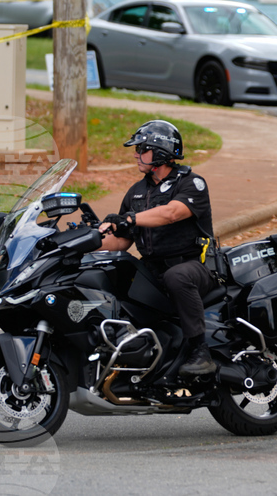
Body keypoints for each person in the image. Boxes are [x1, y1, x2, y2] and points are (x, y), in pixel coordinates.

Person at [99, 119, 218, 378]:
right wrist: (91, 239)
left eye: (142, 149)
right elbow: (122, 240)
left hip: (193, 266)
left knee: (178, 276)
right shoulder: (136, 192)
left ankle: (201, 351)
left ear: (161, 152)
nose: (136, 154)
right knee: (113, 274)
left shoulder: (190, 183)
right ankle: (127, 350)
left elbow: (171, 213)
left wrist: (129, 218)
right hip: (153, 269)